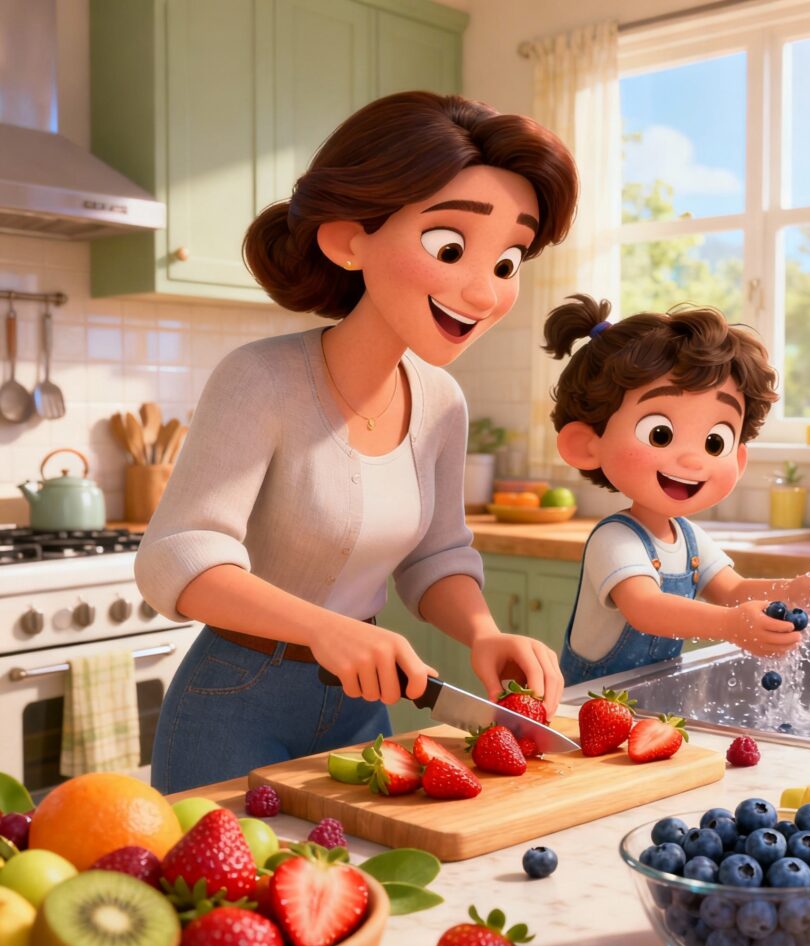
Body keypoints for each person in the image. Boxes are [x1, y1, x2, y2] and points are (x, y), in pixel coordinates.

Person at [135, 92, 579, 793]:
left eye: (508, 261)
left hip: (365, 703)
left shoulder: (440, 401)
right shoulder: (259, 380)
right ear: (349, 239)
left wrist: (483, 632)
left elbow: (435, 556)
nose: (486, 291)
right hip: (235, 699)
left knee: (365, 889)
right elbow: (178, 560)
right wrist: (325, 630)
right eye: (451, 247)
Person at [544, 294, 810, 687]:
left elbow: (733, 589)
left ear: (738, 459)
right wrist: (730, 625)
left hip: (649, 697)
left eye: (714, 442)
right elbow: (645, 607)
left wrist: (795, 591)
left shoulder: (688, 537)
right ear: (587, 444)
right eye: (661, 434)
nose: (694, 461)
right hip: (589, 703)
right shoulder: (614, 538)